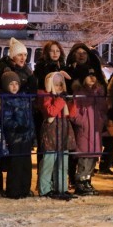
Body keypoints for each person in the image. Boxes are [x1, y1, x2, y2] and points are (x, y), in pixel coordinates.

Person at [37, 71, 76, 201]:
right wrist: (61, 100)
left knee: (62, 163)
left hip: (63, 131)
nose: (59, 87)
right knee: (48, 163)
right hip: (52, 132)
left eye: (61, 85)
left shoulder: (63, 98)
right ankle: (45, 189)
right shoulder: (46, 96)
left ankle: (62, 188)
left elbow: (72, 114)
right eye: (56, 85)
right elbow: (50, 111)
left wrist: (71, 103)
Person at [69, 68, 107, 196]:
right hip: (84, 132)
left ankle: (87, 181)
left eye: (94, 75)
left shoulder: (99, 92)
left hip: (95, 131)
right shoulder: (79, 93)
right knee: (84, 159)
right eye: (88, 76)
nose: (92, 78)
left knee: (92, 159)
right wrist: (83, 122)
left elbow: (103, 109)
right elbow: (74, 113)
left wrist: (102, 120)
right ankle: (80, 183)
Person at [0, 72, 36, 199]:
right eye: (11, 84)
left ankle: (25, 189)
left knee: (26, 164)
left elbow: (30, 117)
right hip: (15, 137)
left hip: (26, 136)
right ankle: (13, 190)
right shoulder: (6, 100)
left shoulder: (24, 98)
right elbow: (6, 120)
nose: (14, 86)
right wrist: (17, 126)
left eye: (16, 83)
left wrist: (32, 134)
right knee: (15, 165)